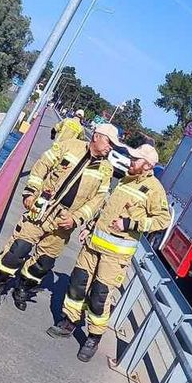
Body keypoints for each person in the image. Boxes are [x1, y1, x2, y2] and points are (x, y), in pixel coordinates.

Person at [49, 143, 172, 362]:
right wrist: (90, 227)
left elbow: (162, 221)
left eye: (136, 159)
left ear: (147, 166)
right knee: (77, 283)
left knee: (99, 296)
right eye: (132, 157)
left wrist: (130, 223)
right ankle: (70, 322)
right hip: (93, 245)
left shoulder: (154, 189)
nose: (131, 161)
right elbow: (107, 209)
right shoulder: (125, 180)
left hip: (115, 256)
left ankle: (93, 337)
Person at [0, 124, 118, 311]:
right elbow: (42, 165)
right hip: (42, 209)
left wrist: (76, 219)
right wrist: (30, 193)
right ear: (96, 137)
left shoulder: (106, 169)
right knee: (19, 248)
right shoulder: (70, 145)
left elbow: (98, 199)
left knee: (44, 262)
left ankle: (23, 288)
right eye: (109, 142)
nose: (110, 147)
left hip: (64, 222)